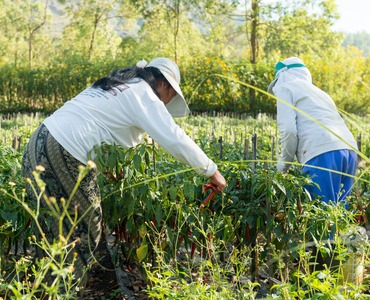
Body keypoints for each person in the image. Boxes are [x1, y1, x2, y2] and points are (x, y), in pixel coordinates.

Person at [21, 57, 227, 291]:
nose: (168, 103)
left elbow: (106, 132)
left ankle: (49, 290)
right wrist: (212, 170)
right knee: (87, 227)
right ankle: (65, 290)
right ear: (165, 84)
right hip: (63, 151)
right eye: (172, 95)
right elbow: (174, 137)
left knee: (54, 228)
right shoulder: (144, 94)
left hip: (37, 145)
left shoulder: (118, 85)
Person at [268, 57, 358, 207]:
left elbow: (289, 130)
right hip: (349, 151)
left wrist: (283, 166)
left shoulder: (285, 87)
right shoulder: (320, 93)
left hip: (322, 153)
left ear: (282, 76)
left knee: (320, 216)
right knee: (339, 216)